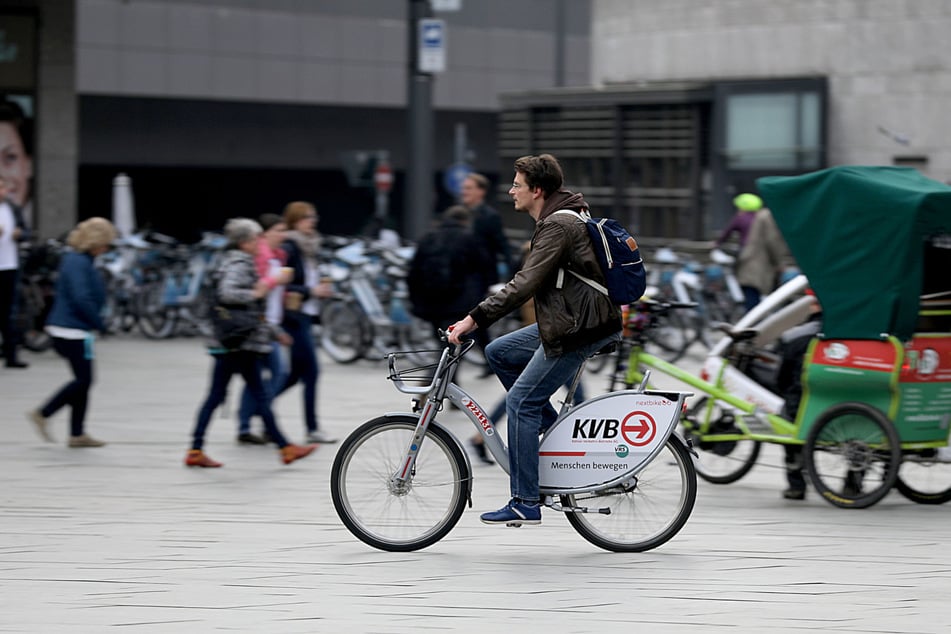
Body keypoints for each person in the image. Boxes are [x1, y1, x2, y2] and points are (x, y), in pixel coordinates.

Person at [448, 153, 621, 526]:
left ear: (537, 190)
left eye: (517, 185)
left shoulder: (558, 225)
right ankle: (553, 427)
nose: (511, 191)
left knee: (520, 404)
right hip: (573, 320)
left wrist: (472, 319)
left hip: (580, 327)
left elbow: (525, 283)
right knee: (500, 351)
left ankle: (526, 501)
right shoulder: (559, 217)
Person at [185, 218, 316, 468]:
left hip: (234, 340)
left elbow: (249, 309)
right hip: (239, 342)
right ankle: (284, 447)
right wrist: (257, 292)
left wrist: (273, 330)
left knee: (219, 395)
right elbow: (228, 293)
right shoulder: (238, 262)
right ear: (245, 242)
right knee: (253, 394)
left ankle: (196, 449)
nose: (260, 242)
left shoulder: (232, 260)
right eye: (256, 238)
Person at [26, 217, 117, 447]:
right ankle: (43, 413)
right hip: (70, 330)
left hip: (76, 329)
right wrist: (99, 323)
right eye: (106, 243)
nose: (107, 248)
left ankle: (77, 434)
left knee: (83, 380)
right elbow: (81, 297)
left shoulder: (81, 260)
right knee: (85, 380)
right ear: (96, 242)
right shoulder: (77, 262)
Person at [276, 201, 336, 444]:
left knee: (294, 375)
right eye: (306, 217)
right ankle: (312, 428)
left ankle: (259, 407)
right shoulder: (290, 247)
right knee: (311, 372)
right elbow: (282, 283)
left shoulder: (310, 248)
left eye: (314, 216)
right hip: (293, 316)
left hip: (306, 316)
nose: (312, 221)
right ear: (295, 221)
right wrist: (312, 291)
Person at [235, 213, 293, 445]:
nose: (283, 234)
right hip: (259, 325)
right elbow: (256, 290)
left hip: (271, 324)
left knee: (262, 377)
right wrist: (275, 281)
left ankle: (250, 422)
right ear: (265, 234)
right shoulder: (259, 258)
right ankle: (253, 422)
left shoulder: (278, 257)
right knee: (272, 373)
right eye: (278, 230)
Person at [775, 291, 822, 500]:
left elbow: (782, 379)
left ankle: (796, 484)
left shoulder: (797, 336)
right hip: (849, 410)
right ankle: (853, 482)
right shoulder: (861, 337)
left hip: (801, 408)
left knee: (787, 414)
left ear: (814, 305)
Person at [735, 203, 789, 312]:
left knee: (752, 300)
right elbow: (772, 241)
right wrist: (781, 262)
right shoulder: (768, 216)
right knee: (755, 304)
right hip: (758, 266)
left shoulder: (763, 215)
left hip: (751, 263)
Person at [461, 173, 514, 282]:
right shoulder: (458, 214)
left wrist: (513, 272)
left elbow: (502, 245)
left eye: (468, 188)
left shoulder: (490, 216)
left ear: (481, 191)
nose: (464, 192)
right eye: (463, 188)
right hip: (461, 277)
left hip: (482, 278)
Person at [0, 175, 29, 368]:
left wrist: (20, 234)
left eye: (4, 188)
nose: (4, 192)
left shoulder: (12, 208)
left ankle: (11, 355)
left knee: (9, 312)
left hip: (9, 266)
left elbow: (26, 232)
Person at [0, 100, 34, 229]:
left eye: (10, 157)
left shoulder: (15, 210)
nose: (1, 174)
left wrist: (18, 234)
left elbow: (25, 233)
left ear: (29, 164)